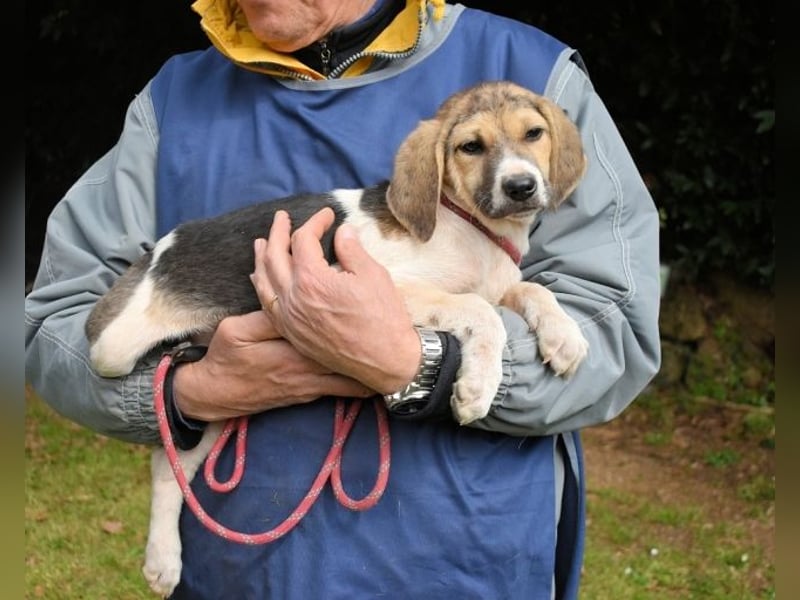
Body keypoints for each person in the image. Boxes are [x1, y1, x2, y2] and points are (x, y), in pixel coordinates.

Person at [24, 1, 662, 598]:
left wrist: (422, 366)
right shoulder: (174, 101)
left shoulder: (536, 76)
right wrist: (185, 393)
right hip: (239, 575)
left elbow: (612, 332)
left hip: (463, 571)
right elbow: (50, 326)